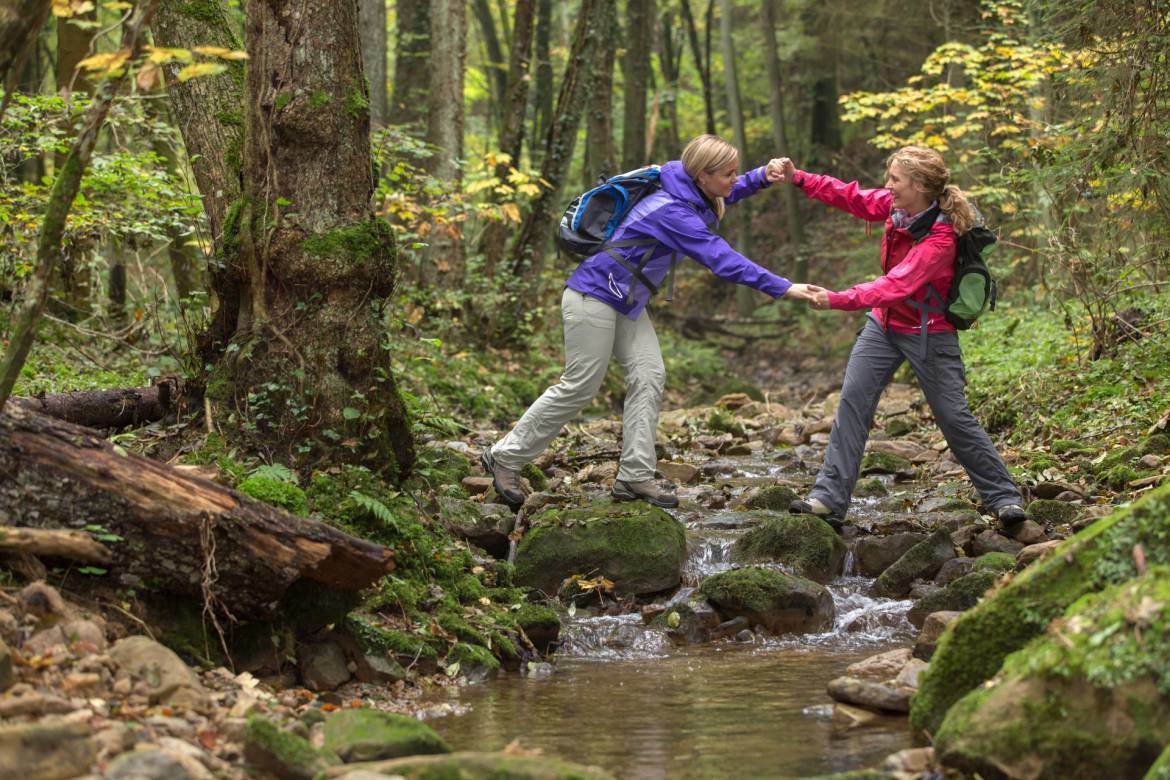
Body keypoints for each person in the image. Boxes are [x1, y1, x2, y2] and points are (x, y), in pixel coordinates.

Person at [482, 134, 817, 510]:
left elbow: (728, 193)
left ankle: (634, 476)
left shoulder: (689, 189)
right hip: (592, 295)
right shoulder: (672, 211)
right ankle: (506, 457)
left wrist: (762, 176)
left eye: (736, 172)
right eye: (729, 173)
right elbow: (723, 260)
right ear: (703, 175)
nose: (734, 180)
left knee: (649, 375)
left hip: (625, 302)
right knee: (580, 385)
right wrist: (784, 286)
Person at [768, 147, 1026, 534]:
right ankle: (828, 500)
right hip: (883, 327)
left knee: (953, 417)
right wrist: (799, 177)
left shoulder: (941, 237)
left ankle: (1004, 497)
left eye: (895, 180)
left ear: (920, 186)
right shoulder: (896, 208)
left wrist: (836, 299)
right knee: (852, 405)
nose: (886, 186)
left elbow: (897, 283)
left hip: (929, 331)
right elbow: (851, 196)